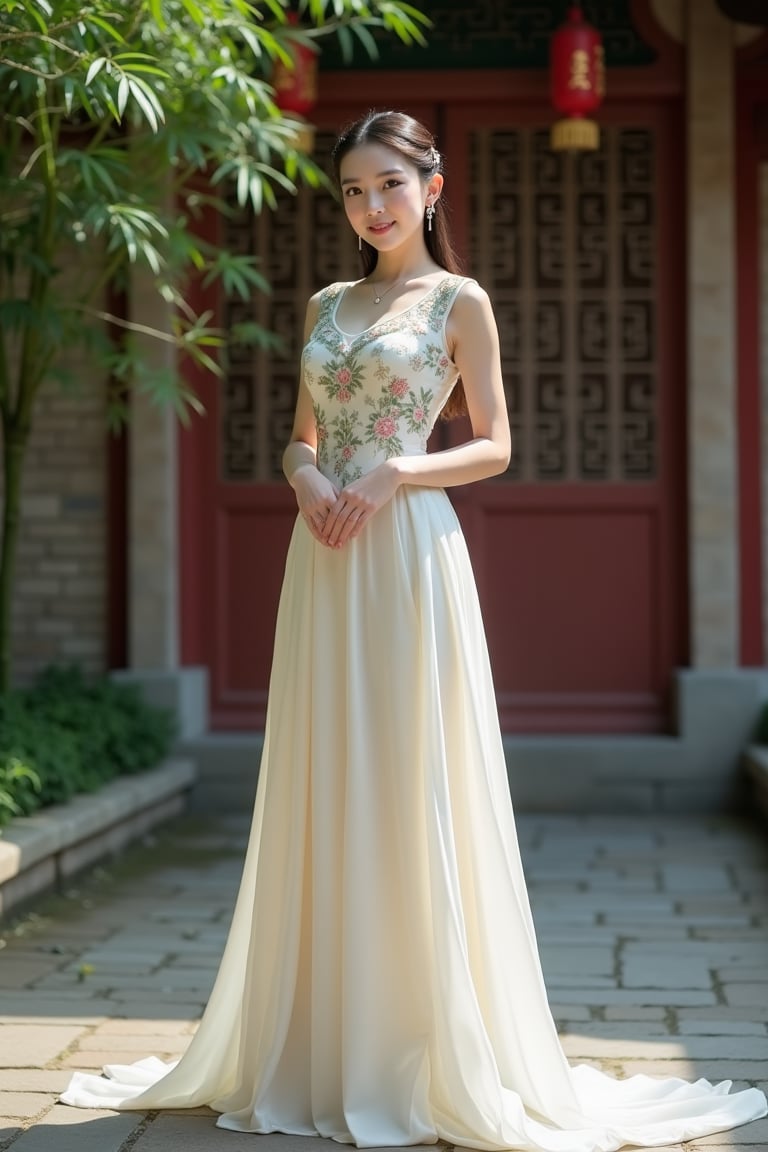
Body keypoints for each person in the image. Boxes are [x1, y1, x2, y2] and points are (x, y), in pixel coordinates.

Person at [62, 110, 766, 1151]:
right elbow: (300, 437)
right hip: (326, 557)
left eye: (390, 184)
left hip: (407, 552)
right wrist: (304, 476)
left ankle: (418, 1047)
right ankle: (318, 1043)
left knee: (408, 775)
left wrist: (396, 471)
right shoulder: (328, 302)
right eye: (352, 190)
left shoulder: (458, 300)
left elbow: (495, 444)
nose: (371, 206)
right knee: (322, 774)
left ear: (432, 189)